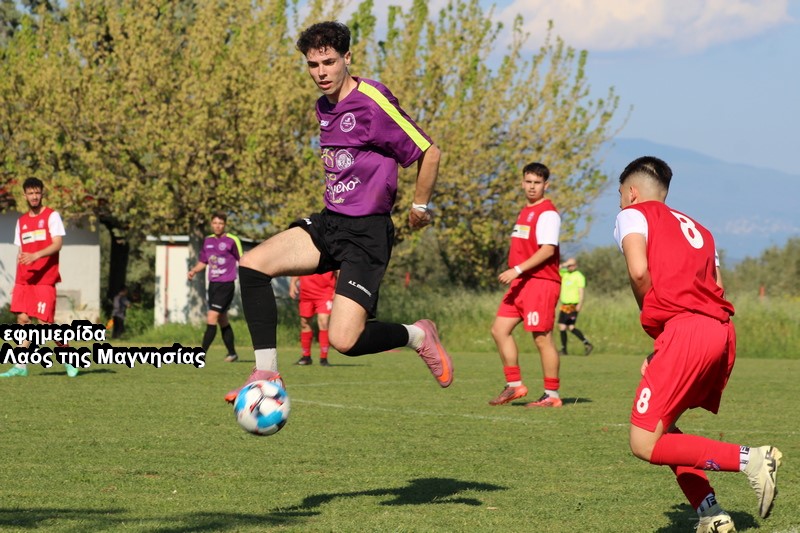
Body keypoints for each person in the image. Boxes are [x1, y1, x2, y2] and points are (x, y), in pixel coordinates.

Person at [223, 20, 452, 403]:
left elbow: (430, 151)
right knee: (252, 266)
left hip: (367, 234)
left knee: (345, 341)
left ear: (347, 57)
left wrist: (419, 205)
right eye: (313, 65)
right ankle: (267, 374)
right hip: (331, 223)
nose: (321, 72)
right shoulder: (324, 106)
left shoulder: (372, 101)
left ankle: (418, 335)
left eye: (328, 62)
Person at [614, 156, 781, 532]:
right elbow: (718, 286)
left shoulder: (633, 214)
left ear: (632, 192)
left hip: (686, 332)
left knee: (643, 443)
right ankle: (710, 513)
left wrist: (660, 327)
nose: (620, 203)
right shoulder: (701, 230)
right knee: (664, 426)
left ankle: (753, 459)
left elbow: (639, 271)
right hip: (718, 331)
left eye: (620, 195)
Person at [489, 162, 562, 407]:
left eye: (537, 183)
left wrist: (517, 269)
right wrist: (517, 273)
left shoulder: (548, 213)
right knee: (499, 330)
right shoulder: (525, 211)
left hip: (540, 282)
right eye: (528, 182)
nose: (532, 187)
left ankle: (552, 395)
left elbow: (548, 250)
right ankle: (514, 385)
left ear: (546, 185)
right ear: (522, 183)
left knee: (542, 338)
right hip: (521, 283)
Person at [1, 177, 78, 378]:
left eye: (37, 192)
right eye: (30, 193)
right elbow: (21, 253)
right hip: (25, 280)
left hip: (45, 278)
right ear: (25, 195)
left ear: (42, 193)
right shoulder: (21, 222)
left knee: (45, 324)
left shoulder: (52, 216)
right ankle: (20, 365)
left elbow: (57, 244)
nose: (34, 196)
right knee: (23, 320)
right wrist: (17, 282)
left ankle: (69, 356)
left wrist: (36, 255)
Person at [188, 212, 243, 362]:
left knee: (212, 316)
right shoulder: (208, 241)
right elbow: (203, 261)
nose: (217, 226)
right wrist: (194, 270)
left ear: (225, 225)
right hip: (213, 285)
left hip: (226, 284)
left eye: (220, 223)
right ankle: (232, 353)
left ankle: (201, 354)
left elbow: (242, 260)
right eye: (215, 223)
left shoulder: (232, 240)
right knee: (222, 319)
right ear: (211, 224)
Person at [289, 272, 337, 366]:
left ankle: (324, 358)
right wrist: (293, 283)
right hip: (306, 293)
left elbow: (339, 272)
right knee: (304, 323)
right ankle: (306, 357)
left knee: (323, 321)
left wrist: (338, 289)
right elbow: (299, 268)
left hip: (325, 292)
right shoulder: (303, 260)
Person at [557, 258, 593, 355]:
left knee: (571, 327)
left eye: (571, 265)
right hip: (564, 305)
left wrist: (580, 304)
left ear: (576, 266)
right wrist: (565, 264)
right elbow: (555, 269)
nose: (570, 267)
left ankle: (587, 344)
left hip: (573, 305)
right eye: (569, 265)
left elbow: (581, 292)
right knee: (562, 327)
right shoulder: (564, 273)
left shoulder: (579, 276)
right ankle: (564, 349)